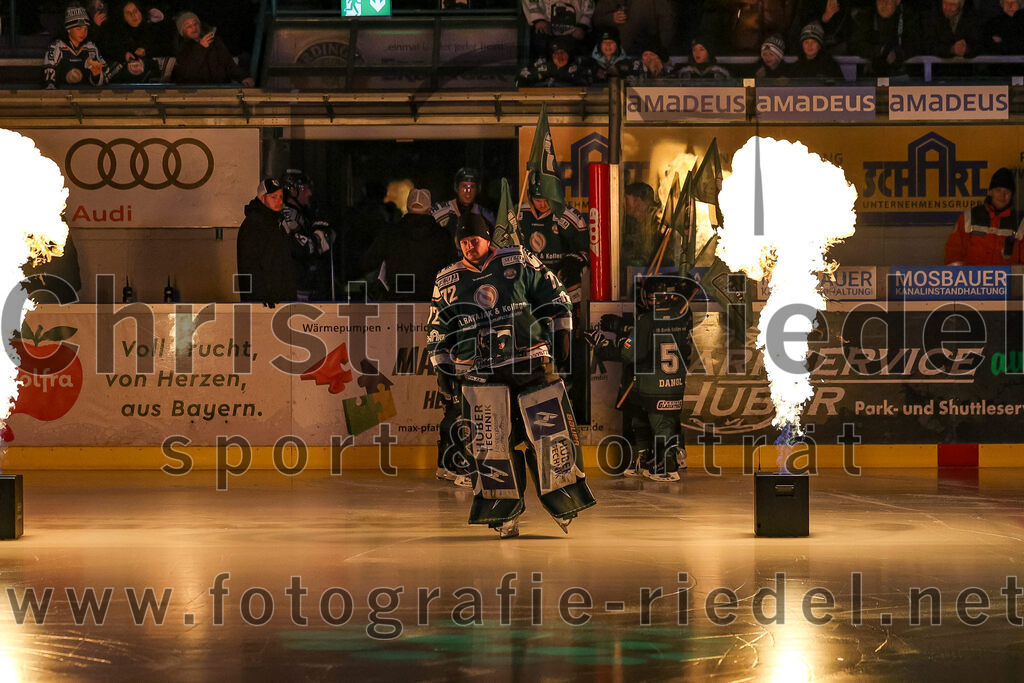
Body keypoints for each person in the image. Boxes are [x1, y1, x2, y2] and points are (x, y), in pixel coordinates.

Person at [427, 214, 596, 538]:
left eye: (474, 240)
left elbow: (553, 290)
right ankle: (502, 512)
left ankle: (564, 500)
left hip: (530, 360)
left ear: (488, 237)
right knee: (490, 443)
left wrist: (562, 329)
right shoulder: (447, 279)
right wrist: (441, 363)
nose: (468, 246)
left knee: (550, 433)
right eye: (462, 242)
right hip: (481, 372)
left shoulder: (517, 259)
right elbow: (438, 323)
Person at [595, 275, 695, 480]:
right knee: (657, 421)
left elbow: (630, 353)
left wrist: (605, 345)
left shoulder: (646, 320)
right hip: (675, 383)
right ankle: (657, 458)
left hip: (653, 383)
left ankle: (666, 466)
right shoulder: (683, 315)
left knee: (660, 426)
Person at [363, 188, 459, 302]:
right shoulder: (443, 236)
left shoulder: (390, 234)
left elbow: (367, 263)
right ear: (429, 209)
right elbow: (454, 269)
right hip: (434, 301)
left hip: (398, 301)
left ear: (408, 207)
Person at [236, 178, 300, 306]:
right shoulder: (254, 224)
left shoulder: (276, 222)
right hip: (265, 301)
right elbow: (249, 263)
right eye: (273, 197)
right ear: (262, 198)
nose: (279, 201)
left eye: (280, 196)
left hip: (277, 299)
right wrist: (260, 295)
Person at [945, 168, 1024, 265]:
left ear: (1012, 195)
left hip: (1006, 279)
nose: (1002, 196)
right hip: (972, 279)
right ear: (990, 192)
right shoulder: (969, 217)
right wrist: (958, 277)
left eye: (1007, 192)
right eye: (998, 190)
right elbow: (954, 252)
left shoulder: (1020, 223)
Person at [281, 169, 334, 301]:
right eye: (305, 188)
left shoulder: (302, 215)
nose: (309, 193)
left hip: (307, 283)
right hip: (298, 288)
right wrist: (320, 235)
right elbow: (302, 248)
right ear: (292, 191)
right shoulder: (288, 218)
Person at [172, 10, 255, 87]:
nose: (194, 28)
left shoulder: (214, 42)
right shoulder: (182, 48)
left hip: (220, 89)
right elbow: (187, 73)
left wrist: (243, 77)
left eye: (195, 23)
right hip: (196, 92)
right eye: (188, 26)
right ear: (182, 31)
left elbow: (228, 64)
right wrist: (201, 47)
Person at [43, 6, 110, 89]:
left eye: (86, 29)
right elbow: (48, 79)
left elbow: (103, 77)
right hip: (61, 93)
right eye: (79, 29)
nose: (83, 33)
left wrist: (96, 75)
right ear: (69, 29)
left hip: (86, 95)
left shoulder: (91, 47)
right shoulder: (57, 47)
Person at [106, 1, 174, 83]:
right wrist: (124, 55)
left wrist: (147, 52)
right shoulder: (119, 34)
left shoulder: (154, 30)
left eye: (135, 11)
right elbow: (109, 50)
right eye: (128, 13)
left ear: (140, 12)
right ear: (124, 17)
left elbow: (168, 48)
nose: (133, 15)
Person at [850, 0, 919, 77]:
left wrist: (898, 54)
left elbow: (916, 44)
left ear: (897, 1)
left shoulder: (910, 17)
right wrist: (880, 50)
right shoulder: (866, 17)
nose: (884, 4)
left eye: (888, 1)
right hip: (871, 78)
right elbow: (855, 45)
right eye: (880, 0)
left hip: (903, 78)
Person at [592, 0, 675, 57]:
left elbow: (666, 19)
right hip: (622, 52)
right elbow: (597, 19)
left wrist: (663, 47)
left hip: (650, 49)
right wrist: (611, 18)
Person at [431, 167, 496, 236]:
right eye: (464, 186)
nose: (468, 191)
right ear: (456, 187)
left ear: (478, 189)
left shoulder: (486, 216)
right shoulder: (439, 211)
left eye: (472, 187)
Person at [521, 0, 596, 59]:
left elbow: (589, 4)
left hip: (574, 33)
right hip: (546, 29)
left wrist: (582, 25)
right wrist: (538, 19)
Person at [516, 36, 593, 86]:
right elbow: (520, 79)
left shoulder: (578, 67)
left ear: (569, 55)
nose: (560, 57)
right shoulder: (542, 64)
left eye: (563, 53)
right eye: (557, 54)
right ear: (552, 55)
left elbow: (589, 83)